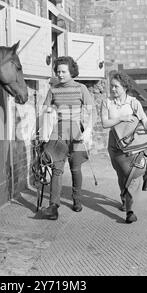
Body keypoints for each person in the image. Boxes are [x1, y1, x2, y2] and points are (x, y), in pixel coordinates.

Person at [100, 71, 147, 224]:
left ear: (125, 87)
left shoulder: (134, 103)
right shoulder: (107, 102)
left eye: (116, 87)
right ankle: (124, 197)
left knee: (133, 175)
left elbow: (145, 121)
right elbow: (104, 123)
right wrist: (121, 118)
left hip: (134, 145)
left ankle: (130, 211)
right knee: (121, 175)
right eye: (111, 86)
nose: (113, 89)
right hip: (115, 146)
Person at [39, 56, 95, 220]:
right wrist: (48, 112)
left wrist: (88, 130)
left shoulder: (81, 88)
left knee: (75, 168)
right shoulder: (53, 89)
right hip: (59, 131)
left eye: (63, 71)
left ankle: (77, 200)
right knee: (56, 169)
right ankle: (53, 206)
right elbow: (44, 109)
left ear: (71, 72)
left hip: (77, 131)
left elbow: (92, 112)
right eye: (58, 71)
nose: (60, 74)